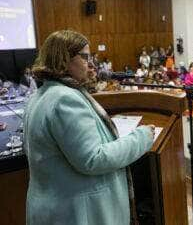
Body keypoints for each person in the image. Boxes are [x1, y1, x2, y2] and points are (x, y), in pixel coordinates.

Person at [24, 30, 155, 225]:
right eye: (85, 57)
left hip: (56, 205)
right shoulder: (64, 98)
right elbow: (93, 159)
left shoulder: (41, 95)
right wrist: (142, 137)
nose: (92, 64)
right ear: (64, 59)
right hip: (78, 213)